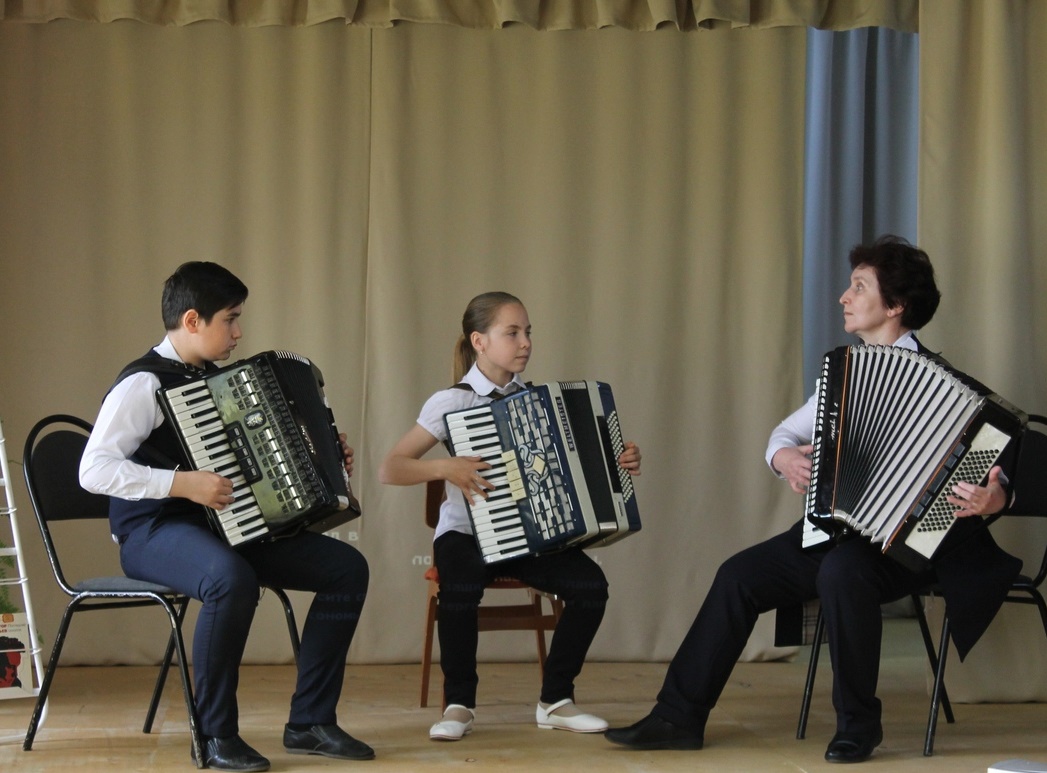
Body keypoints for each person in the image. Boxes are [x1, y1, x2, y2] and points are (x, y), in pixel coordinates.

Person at [604, 235, 1022, 763]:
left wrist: (996, 497)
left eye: (859, 287)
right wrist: (783, 458)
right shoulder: (844, 374)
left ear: (895, 305)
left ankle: (858, 726)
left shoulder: (951, 388)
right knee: (739, 575)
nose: (844, 297)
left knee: (844, 572)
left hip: (909, 548)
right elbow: (784, 434)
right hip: (838, 532)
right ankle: (676, 718)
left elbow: (1006, 459)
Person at [80, 262, 373, 771]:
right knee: (229, 579)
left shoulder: (224, 382)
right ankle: (215, 734)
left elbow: (257, 461)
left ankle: (310, 722)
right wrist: (181, 483)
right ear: (192, 320)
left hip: (228, 528)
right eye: (231, 319)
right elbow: (93, 470)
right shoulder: (143, 384)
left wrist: (321, 456)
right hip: (152, 532)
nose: (238, 332)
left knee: (347, 569)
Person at [378, 291, 642, 741]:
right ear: (479, 341)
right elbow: (391, 468)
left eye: (528, 332)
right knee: (459, 586)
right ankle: (459, 704)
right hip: (466, 532)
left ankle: (555, 701)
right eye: (512, 333)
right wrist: (446, 468)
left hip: (531, 532)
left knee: (590, 587)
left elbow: (575, 464)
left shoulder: (538, 400)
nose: (525, 343)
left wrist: (619, 460)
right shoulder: (452, 401)